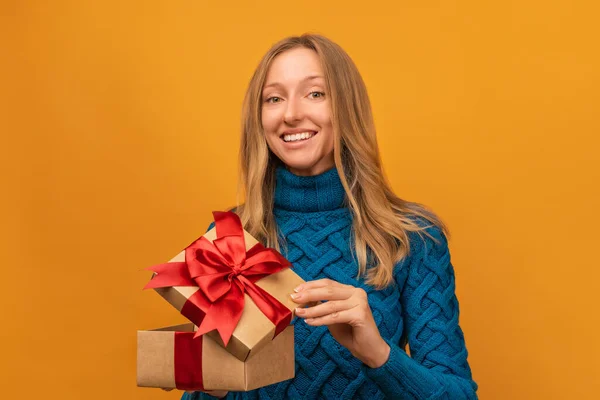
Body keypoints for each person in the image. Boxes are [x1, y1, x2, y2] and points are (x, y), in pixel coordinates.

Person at [183, 33, 478, 399]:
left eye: (315, 93)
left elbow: (460, 395)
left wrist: (378, 354)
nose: (291, 114)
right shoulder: (230, 236)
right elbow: (207, 388)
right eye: (274, 98)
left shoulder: (413, 237)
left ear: (347, 107)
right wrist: (210, 385)